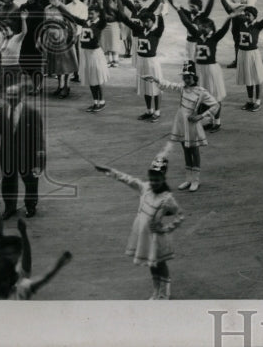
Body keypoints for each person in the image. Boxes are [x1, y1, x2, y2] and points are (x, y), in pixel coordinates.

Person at [94, 154, 183, 300]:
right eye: (152, 179)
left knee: (160, 264)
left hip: (156, 237)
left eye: (157, 179)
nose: (154, 182)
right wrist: (107, 170)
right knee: (151, 263)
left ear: (163, 179)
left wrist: (166, 228)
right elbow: (126, 179)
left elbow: (180, 215)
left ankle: (165, 293)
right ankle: (156, 291)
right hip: (143, 234)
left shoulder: (167, 198)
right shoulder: (144, 187)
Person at [149, 63, 221, 192]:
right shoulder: (182, 88)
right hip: (181, 123)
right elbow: (169, 85)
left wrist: (201, 116)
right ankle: (188, 179)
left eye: (188, 77)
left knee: (194, 151)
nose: (186, 80)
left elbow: (215, 105)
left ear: (194, 77)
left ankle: (196, 180)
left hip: (192, 124)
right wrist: (155, 79)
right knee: (186, 151)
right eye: (184, 77)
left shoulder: (201, 92)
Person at [0, 82, 45, 219]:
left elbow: (38, 138)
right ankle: (9, 207)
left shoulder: (32, 113)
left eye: (14, 95)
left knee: (30, 181)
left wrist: (39, 162)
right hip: (7, 154)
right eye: (8, 95)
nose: (11, 98)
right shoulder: (0, 111)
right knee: (8, 181)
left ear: (21, 96)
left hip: (28, 155)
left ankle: (30, 206)